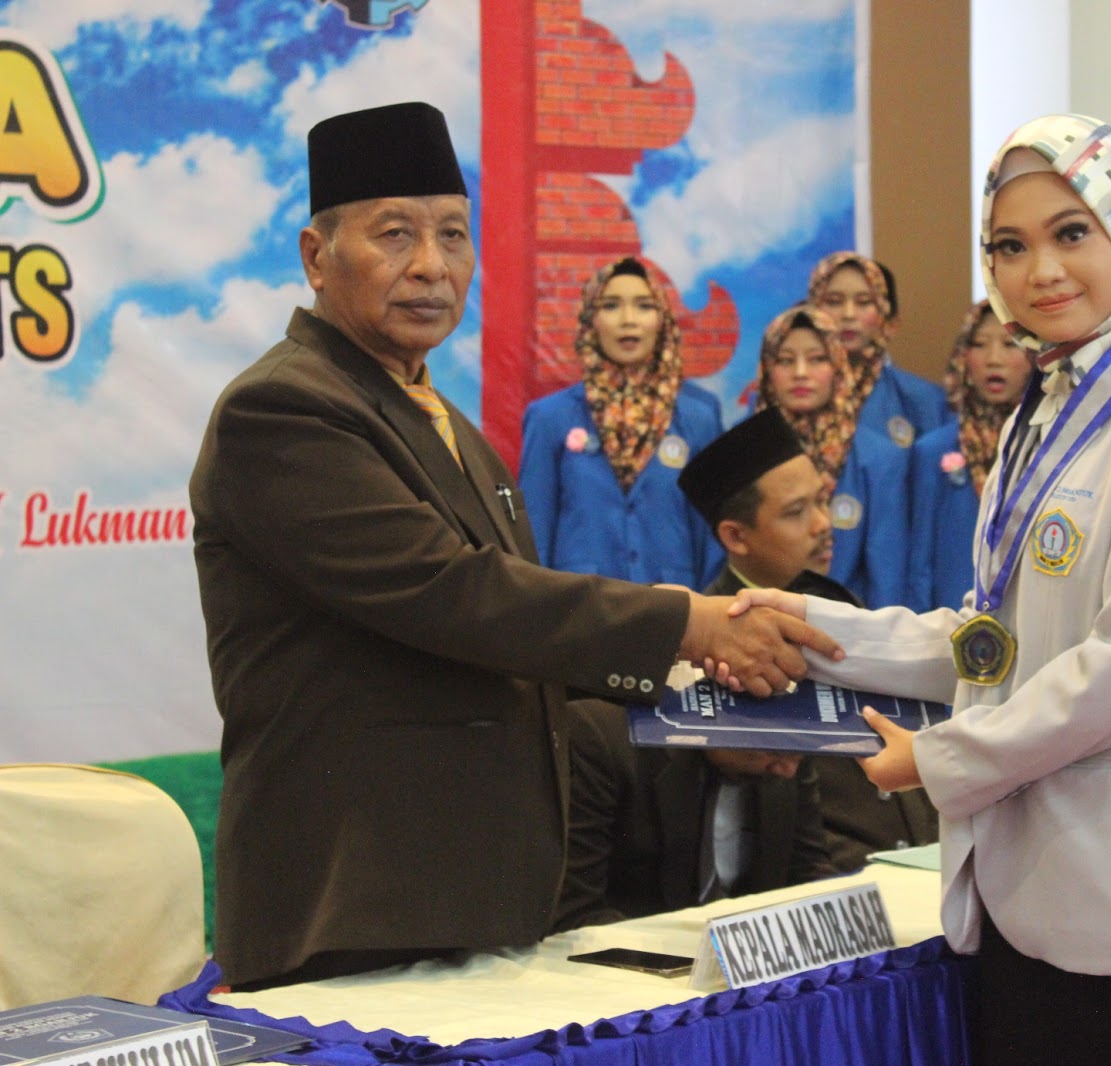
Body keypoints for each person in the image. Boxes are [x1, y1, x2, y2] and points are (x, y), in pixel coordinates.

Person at [188, 102, 838, 990]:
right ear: (315, 255)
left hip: (465, 898)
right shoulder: (283, 409)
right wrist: (688, 619)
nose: (432, 265)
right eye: (395, 234)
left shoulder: (441, 419)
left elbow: (520, 648)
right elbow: (454, 595)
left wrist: (697, 711)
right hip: (355, 900)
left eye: (454, 236)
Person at [735, 115, 1111, 1064]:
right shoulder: (1044, 407)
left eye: (1072, 233)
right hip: (1031, 899)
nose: (1042, 271)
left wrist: (940, 760)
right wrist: (812, 627)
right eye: (1010, 247)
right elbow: (995, 645)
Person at [678, 410, 939, 870]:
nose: (823, 524)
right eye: (797, 512)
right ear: (736, 536)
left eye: (823, 501)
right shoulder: (719, 657)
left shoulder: (839, 602)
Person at [518, 256, 724, 587]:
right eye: (611, 306)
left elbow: (713, 539)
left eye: (644, 306)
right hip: (582, 607)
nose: (628, 320)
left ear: (662, 318)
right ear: (591, 319)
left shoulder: (699, 416)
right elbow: (532, 535)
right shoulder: (550, 417)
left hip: (675, 607)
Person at [554, 698, 836, 929]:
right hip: (637, 960)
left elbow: (807, 870)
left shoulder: (788, 751)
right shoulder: (604, 738)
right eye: (774, 752)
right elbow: (576, 913)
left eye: (799, 754)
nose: (788, 771)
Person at [754, 305, 910, 608]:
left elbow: (886, 578)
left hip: (847, 624)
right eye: (785, 360)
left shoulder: (879, 458)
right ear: (766, 369)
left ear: (839, 366)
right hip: (758, 618)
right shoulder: (745, 450)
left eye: (817, 359)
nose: (801, 373)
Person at [907, 300, 1031, 611]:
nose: (993, 359)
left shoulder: (1048, 443)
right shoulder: (933, 450)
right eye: (979, 344)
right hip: (949, 620)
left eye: (1010, 344)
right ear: (963, 355)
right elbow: (919, 564)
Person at [807, 252, 951, 449]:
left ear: (889, 320)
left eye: (864, 302)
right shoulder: (789, 395)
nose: (848, 314)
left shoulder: (925, 401)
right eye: (833, 301)